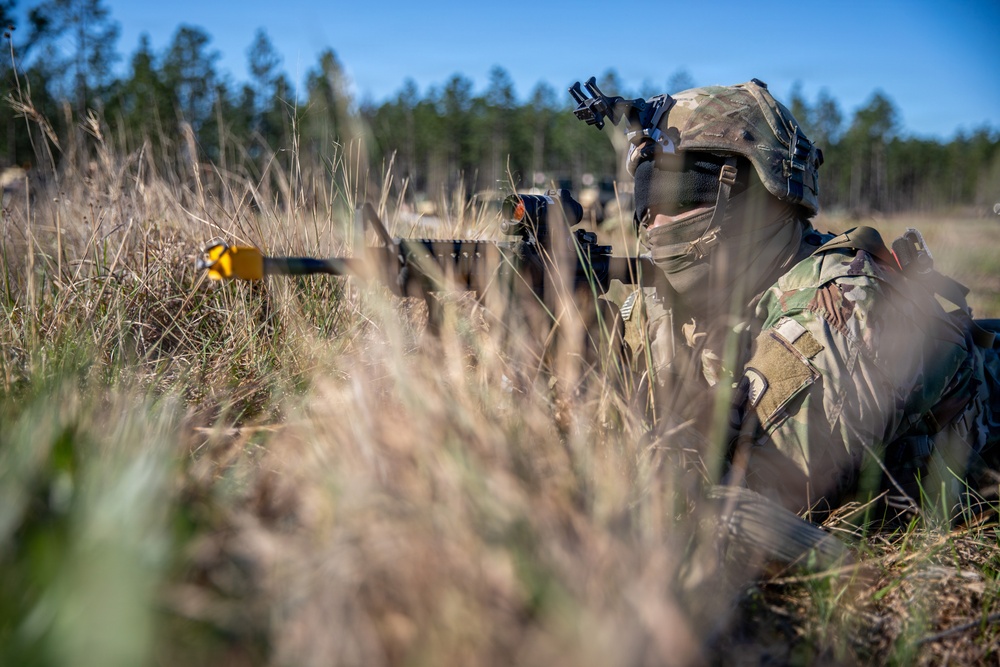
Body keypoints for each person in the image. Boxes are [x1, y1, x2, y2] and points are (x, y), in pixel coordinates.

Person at [626, 78, 1000, 520]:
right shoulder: (709, 295)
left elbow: (752, 499)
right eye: (645, 198)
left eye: (681, 191)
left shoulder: (843, 303)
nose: (656, 221)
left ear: (766, 191)